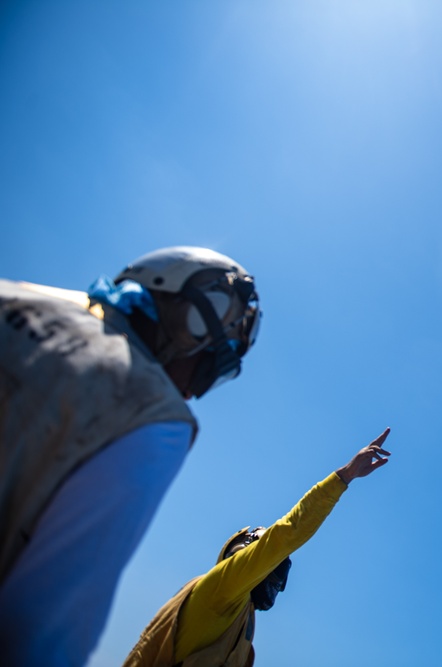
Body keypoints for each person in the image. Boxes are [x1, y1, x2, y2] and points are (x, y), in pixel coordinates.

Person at [0, 246, 262, 666]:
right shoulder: (154, 415)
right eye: (212, 364)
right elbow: (42, 632)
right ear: (189, 323)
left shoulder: (13, 295)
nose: (195, 390)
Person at [123, 429, 392, 666]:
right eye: (261, 547)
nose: (274, 570)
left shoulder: (242, 627)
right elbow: (285, 536)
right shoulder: (221, 590)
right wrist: (345, 475)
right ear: (236, 549)